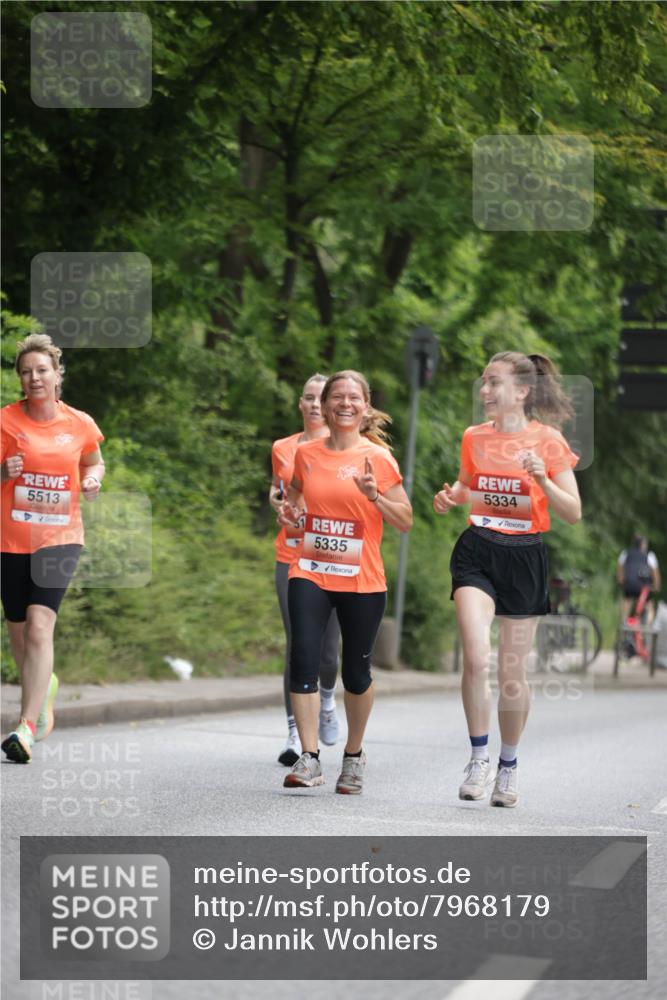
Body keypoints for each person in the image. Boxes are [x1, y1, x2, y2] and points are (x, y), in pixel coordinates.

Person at [434, 352, 581, 808]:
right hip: (478, 550)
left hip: (524, 556)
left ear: (521, 392)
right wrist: (450, 496)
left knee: (512, 673)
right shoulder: (473, 437)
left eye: (493, 383)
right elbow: (465, 486)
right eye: (483, 383)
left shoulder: (549, 441)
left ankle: (508, 767)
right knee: (477, 660)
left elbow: (572, 512)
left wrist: (542, 478)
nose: (484, 392)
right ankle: (478, 757)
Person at [278, 370, 412, 794]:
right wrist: (291, 514)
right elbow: (296, 497)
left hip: (362, 578)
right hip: (310, 569)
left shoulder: (379, 458)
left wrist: (375, 496)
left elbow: (405, 520)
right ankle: (310, 756)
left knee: (356, 672)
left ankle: (353, 755)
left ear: (365, 406)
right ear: (326, 404)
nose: (345, 404)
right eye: (337, 396)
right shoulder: (307, 454)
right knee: (304, 655)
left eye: (354, 397)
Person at [1, 333, 104, 763]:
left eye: (42, 370)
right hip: (10, 539)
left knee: (41, 625)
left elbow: (93, 458)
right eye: (26, 372)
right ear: (20, 380)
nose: (34, 378)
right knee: (20, 634)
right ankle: (44, 691)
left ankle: (24, 727)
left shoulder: (78, 423)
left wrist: (94, 478)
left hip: (60, 538)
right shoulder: (5, 420)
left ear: (57, 374)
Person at [269, 374, 341, 766]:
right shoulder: (283, 447)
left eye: (321, 398)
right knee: (298, 643)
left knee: (329, 653)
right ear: (301, 403)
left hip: (336, 558)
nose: (315, 405)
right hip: (293, 555)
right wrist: (277, 502)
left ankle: (327, 699)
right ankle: (296, 732)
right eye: (309, 398)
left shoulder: (344, 449)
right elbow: (279, 492)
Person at [617, 534, 661, 625]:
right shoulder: (649, 555)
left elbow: (620, 568)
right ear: (643, 545)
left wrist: (621, 580)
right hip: (643, 586)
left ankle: (624, 622)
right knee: (649, 604)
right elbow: (655, 573)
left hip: (629, 584)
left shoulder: (626, 553)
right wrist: (656, 586)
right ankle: (648, 627)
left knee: (627, 599)